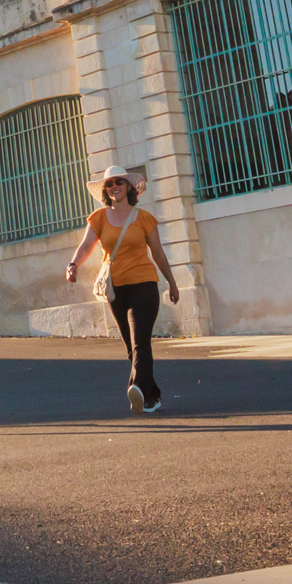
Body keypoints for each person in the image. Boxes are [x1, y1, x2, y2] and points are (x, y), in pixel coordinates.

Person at [64, 164, 179, 412]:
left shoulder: (145, 218)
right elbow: (86, 246)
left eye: (119, 182)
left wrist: (171, 282)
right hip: (115, 288)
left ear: (128, 187)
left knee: (140, 340)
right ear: (105, 190)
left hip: (144, 283)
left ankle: (136, 387)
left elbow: (158, 253)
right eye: (109, 184)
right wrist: (73, 264)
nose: (114, 186)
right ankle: (151, 395)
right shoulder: (98, 218)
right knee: (131, 345)